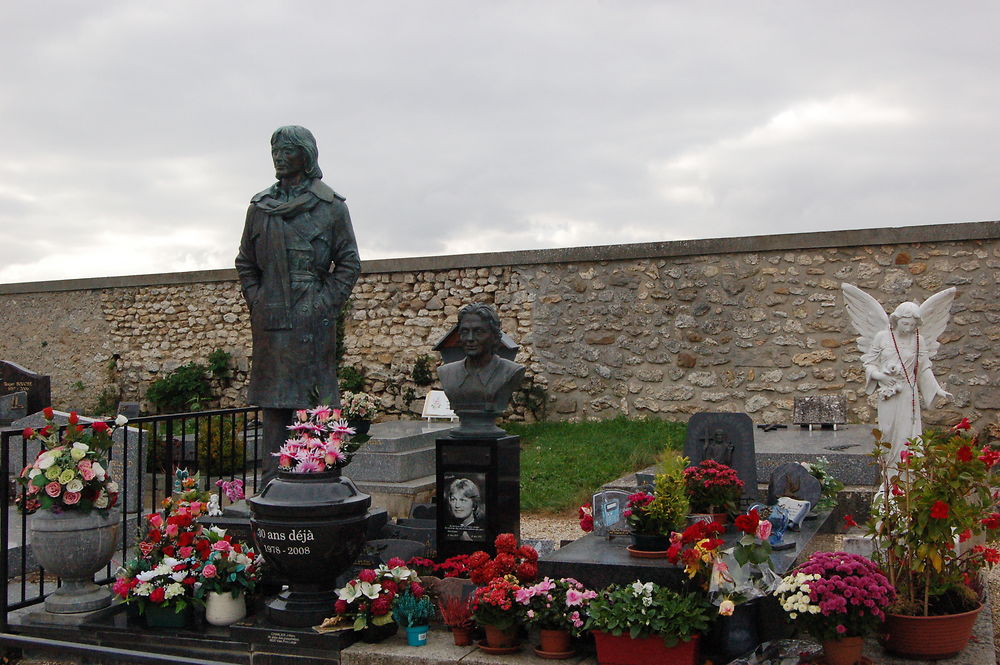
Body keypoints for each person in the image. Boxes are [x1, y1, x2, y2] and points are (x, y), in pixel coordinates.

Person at [235, 126, 360, 487]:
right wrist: (257, 299)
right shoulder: (260, 207)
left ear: (305, 156)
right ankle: (272, 487)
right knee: (274, 405)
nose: (278, 155)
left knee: (315, 401)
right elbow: (246, 262)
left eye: (287, 149)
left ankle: (318, 482)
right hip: (272, 317)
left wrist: (325, 304)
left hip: (312, 318)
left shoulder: (331, 207)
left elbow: (349, 263)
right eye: (274, 149)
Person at [862, 302, 952, 464]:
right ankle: (889, 477)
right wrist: (880, 376)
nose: (909, 328)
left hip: (907, 393)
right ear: (896, 320)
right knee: (887, 431)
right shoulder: (882, 337)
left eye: (912, 324)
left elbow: (924, 367)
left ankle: (907, 475)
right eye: (905, 323)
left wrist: (937, 389)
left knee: (906, 433)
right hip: (888, 393)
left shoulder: (919, 340)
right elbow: (869, 363)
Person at [437, 302, 525, 438]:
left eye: (479, 332)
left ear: (494, 336)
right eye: (465, 332)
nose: (470, 339)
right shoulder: (447, 373)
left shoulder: (510, 371)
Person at [445, 477, 485, 541]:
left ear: (474, 504)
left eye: (463, 500)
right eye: (453, 499)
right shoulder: (446, 528)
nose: (457, 505)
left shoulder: (484, 529)